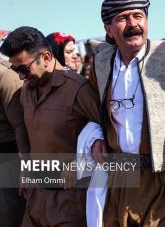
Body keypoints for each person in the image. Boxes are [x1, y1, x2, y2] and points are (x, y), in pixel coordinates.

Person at [89, 0, 165, 227]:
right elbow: (91, 110)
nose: (133, 24)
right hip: (119, 179)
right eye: (122, 18)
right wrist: (94, 137)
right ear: (108, 29)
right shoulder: (101, 65)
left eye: (138, 16)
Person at [0, 26, 101, 227]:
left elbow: (111, 136)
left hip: (70, 205)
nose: (20, 77)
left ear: (46, 57)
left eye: (24, 69)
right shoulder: (27, 91)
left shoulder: (78, 89)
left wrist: (83, 164)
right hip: (35, 200)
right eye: (15, 70)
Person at [0, 56, 26, 227]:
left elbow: (21, 126)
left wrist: (27, 167)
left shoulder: (6, 74)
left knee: (10, 217)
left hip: (7, 162)